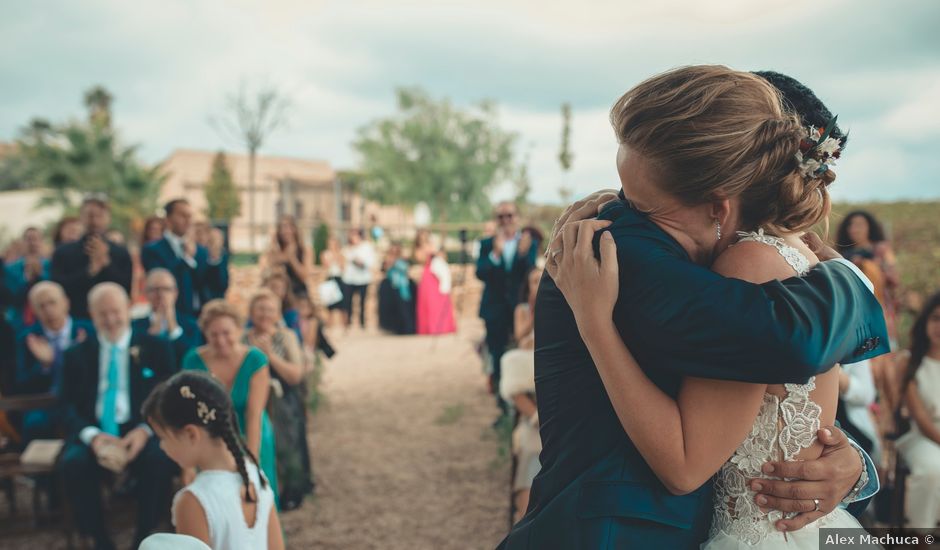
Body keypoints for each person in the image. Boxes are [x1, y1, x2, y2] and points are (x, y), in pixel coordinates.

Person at [499, 67, 889, 549]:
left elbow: (782, 352)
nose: (618, 207)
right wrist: (852, 277)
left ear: (719, 202)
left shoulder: (752, 264)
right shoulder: (631, 248)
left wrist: (847, 464)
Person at [58, 282, 176, 550]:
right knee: (73, 463)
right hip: (95, 429)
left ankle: (144, 535)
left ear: (129, 309)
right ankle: (99, 538)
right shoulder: (76, 354)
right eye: (102, 314)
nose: (110, 320)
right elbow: (65, 406)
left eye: (115, 311)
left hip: (139, 426)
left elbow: (167, 397)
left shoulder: (155, 347)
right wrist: (92, 436)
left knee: (159, 458)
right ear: (91, 314)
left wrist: (145, 430)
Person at [143, 371, 284, 550]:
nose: (161, 447)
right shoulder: (256, 476)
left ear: (191, 434)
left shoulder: (193, 501)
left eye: (162, 437)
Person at [182, 300, 279, 507]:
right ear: (205, 334)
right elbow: (189, 414)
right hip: (210, 439)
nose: (221, 340)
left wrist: (251, 466)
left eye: (226, 333)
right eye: (213, 334)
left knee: (254, 499)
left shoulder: (255, 360)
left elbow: (254, 415)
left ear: (239, 329)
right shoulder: (192, 360)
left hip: (251, 433)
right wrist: (188, 464)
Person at [245, 290, 313, 510]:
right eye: (260, 308)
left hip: (283, 399)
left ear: (277, 313)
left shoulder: (286, 336)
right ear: (251, 312)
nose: (265, 314)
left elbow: (295, 375)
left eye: (270, 309)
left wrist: (268, 355)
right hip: (251, 400)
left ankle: (289, 492)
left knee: (286, 445)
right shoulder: (243, 338)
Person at [476, 202, 537, 411]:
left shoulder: (529, 243)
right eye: (501, 217)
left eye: (509, 215)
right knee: (497, 354)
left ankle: (522, 406)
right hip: (495, 310)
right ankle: (503, 406)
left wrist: (522, 254)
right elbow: (480, 273)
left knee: (521, 351)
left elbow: (530, 274)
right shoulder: (487, 244)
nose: (505, 220)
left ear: (516, 217)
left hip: (519, 309)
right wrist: (495, 254)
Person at [15, 282, 93, 439]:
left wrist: (71, 357)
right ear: (34, 311)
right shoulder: (28, 338)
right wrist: (45, 365)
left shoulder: (88, 330)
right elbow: (21, 384)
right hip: (46, 403)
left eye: (52, 302)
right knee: (34, 424)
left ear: (66, 303)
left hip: (82, 401)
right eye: (41, 306)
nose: (48, 310)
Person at [499, 267, 542, 523]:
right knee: (514, 366)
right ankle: (534, 415)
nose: (539, 284)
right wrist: (537, 311)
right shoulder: (523, 310)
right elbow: (521, 338)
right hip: (528, 355)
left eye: (542, 280)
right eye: (534, 281)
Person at [895, 292, 940, 532]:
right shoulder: (909, 362)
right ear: (925, 321)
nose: (939, 327)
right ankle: (922, 537)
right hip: (920, 437)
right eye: (936, 318)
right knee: (934, 470)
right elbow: (921, 419)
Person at [142, 199, 228, 317]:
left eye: (190, 216)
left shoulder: (201, 251)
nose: (188, 220)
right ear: (168, 219)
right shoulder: (152, 250)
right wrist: (186, 259)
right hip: (169, 315)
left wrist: (214, 259)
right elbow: (163, 281)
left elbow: (218, 286)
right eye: (182, 215)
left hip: (199, 317)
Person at [51, 196, 133, 319]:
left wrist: (106, 264)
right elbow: (59, 289)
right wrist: (90, 271)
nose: (94, 221)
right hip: (77, 317)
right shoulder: (63, 252)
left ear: (108, 218)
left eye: (99, 216)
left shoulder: (120, 252)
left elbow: (126, 288)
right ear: (81, 218)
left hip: (112, 318)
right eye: (89, 215)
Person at [132, 269, 202, 370]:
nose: (160, 294)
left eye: (166, 289)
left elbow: (191, 357)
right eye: (155, 289)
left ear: (175, 293)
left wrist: (173, 328)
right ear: (146, 293)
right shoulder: (136, 325)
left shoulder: (191, 325)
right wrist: (152, 335)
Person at [4, 226, 51, 331]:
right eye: (29, 239)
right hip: (18, 321)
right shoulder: (10, 269)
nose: (32, 243)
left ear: (42, 242)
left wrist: (40, 275)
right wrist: (26, 279)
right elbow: (11, 297)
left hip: (46, 320)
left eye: (36, 239)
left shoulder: (50, 266)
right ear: (22, 243)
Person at [414, 230, 456, 335]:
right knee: (428, 303)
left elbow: (441, 256)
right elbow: (420, 258)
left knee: (438, 302)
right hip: (427, 276)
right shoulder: (418, 249)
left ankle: (442, 327)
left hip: (435, 276)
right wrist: (426, 251)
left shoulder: (432, 245)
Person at [262, 216, 313, 299]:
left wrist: (292, 258)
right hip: (278, 294)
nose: (286, 231)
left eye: (290, 227)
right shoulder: (274, 251)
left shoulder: (304, 250)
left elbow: (304, 276)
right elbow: (266, 271)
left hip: (298, 293)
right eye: (283, 227)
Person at [377, 242, 415, 335]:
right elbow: (383, 271)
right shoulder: (387, 260)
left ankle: (407, 328)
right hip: (391, 287)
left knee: (404, 308)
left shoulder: (403, 260)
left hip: (402, 287)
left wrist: (395, 263)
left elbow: (406, 270)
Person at [341, 229, 376, 329]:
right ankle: (347, 322)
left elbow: (369, 262)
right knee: (347, 301)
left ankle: (362, 322)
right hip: (349, 279)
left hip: (363, 279)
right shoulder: (347, 249)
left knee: (362, 301)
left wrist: (360, 262)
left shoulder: (366, 247)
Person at [319, 236, 346, 328]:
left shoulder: (341, 253)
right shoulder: (325, 253)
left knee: (342, 305)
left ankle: (344, 325)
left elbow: (343, 267)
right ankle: (329, 325)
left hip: (338, 278)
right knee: (329, 305)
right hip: (330, 278)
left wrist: (337, 256)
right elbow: (326, 265)